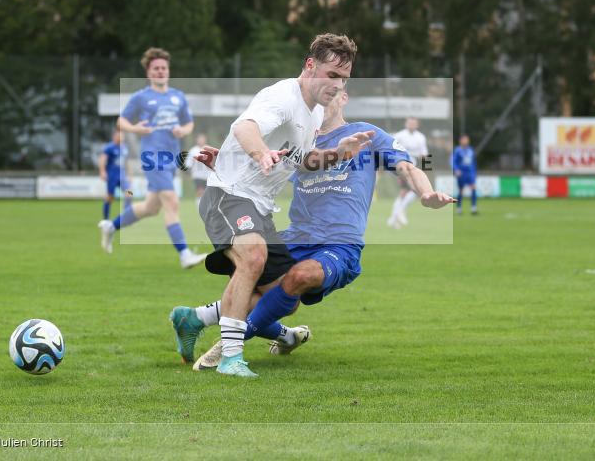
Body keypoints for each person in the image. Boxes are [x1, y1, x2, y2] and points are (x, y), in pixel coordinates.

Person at [179, 90, 456, 371]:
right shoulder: (300, 141)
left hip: (340, 245)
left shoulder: (366, 134)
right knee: (264, 287)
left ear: (344, 98)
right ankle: (197, 319)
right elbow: (264, 167)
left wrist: (426, 193)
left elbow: (407, 167)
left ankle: (229, 345)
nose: (323, 103)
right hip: (295, 236)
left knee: (300, 276)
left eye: (332, 94)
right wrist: (227, 163)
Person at [170, 33, 373, 378]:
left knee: (284, 294)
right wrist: (260, 152)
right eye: (331, 75)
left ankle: (194, 318)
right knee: (253, 256)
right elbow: (245, 127)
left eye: (344, 79)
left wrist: (338, 154)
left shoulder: (314, 113)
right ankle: (231, 358)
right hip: (229, 195)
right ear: (310, 66)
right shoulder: (282, 96)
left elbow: (303, 160)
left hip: (258, 207)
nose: (337, 85)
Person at [97, 47, 206, 269]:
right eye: (156, 68)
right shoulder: (141, 97)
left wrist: (183, 131)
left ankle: (111, 226)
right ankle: (184, 254)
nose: (160, 71)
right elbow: (121, 121)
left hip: (170, 159)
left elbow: (189, 123)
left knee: (150, 207)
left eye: (163, 68)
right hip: (152, 158)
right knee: (172, 202)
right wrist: (135, 128)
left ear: (168, 70)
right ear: (148, 72)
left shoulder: (178, 97)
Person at [387, 117, 429, 228]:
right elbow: (391, 149)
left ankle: (394, 217)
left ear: (417, 125)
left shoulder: (421, 137)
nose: (411, 125)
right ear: (406, 124)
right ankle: (400, 212)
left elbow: (424, 154)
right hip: (402, 166)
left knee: (405, 192)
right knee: (413, 191)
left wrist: (425, 168)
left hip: (415, 166)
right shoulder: (399, 135)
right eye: (410, 123)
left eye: (413, 123)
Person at [98, 127, 130, 221]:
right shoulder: (109, 147)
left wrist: (129, 174)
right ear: (115, 136)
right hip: (112, 176)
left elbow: (126, 162)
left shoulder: (124, 148)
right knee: (110, 197)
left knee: (129, 193)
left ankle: (126, 216)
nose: (121, 137)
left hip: (122, 176)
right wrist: (102, 171)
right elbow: (102, 159)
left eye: (122, 136)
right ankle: (106, 218)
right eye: (119, 135)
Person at [453, 134, 478, 215]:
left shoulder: (471, 150)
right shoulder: (457, 150)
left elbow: (473, 162)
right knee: (461, 191)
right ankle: (459, 208)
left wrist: (474, 172)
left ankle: (473, 208)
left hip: (470, 173)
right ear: (460, 141)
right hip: (461, 173)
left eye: (466, 140)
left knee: (473, 188)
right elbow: (454, 161)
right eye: (464, 139)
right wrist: (456, 170)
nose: (465, 141)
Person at [185, 133, 212, 206]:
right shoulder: (193, 150)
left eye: (202, 139)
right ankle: (199, 207)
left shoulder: (209, 149)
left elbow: (213, 161)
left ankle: (207, 207)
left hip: (208, 175)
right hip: (197, 175)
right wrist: (188, 170)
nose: (201, 140)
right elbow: (188, 162)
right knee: (200, 191)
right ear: (197, 140)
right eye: (200, 139)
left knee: (207, 193)